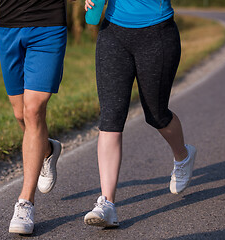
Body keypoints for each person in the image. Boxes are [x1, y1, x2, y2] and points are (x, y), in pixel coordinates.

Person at [83, 0, 197, 228]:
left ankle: (183, 156)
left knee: (156, 114)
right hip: (113, 32)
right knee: (111, 117)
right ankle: (107, 203)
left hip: (157, 32)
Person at [0, 0, 74, 234]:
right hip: (8, 23)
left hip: (47, 23)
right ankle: (47, 150)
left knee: (33, 110)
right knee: (20, 114)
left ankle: (25, 203)